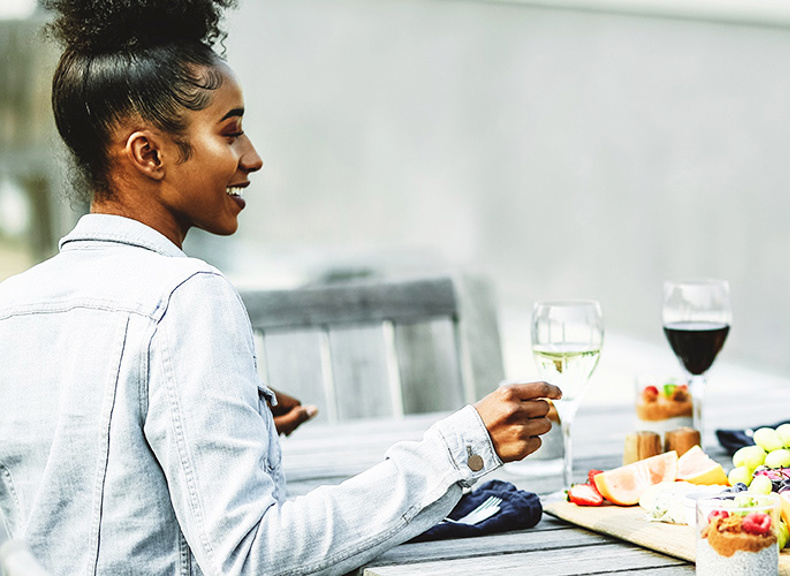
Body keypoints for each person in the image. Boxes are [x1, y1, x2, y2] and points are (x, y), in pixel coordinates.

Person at [0, 1, 560, 574]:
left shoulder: (11, 309)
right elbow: (251, 556)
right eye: (231, 132)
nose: (253, 158)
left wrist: (241, 418)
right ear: (149, 153)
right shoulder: (185, 298)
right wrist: (458, 451)